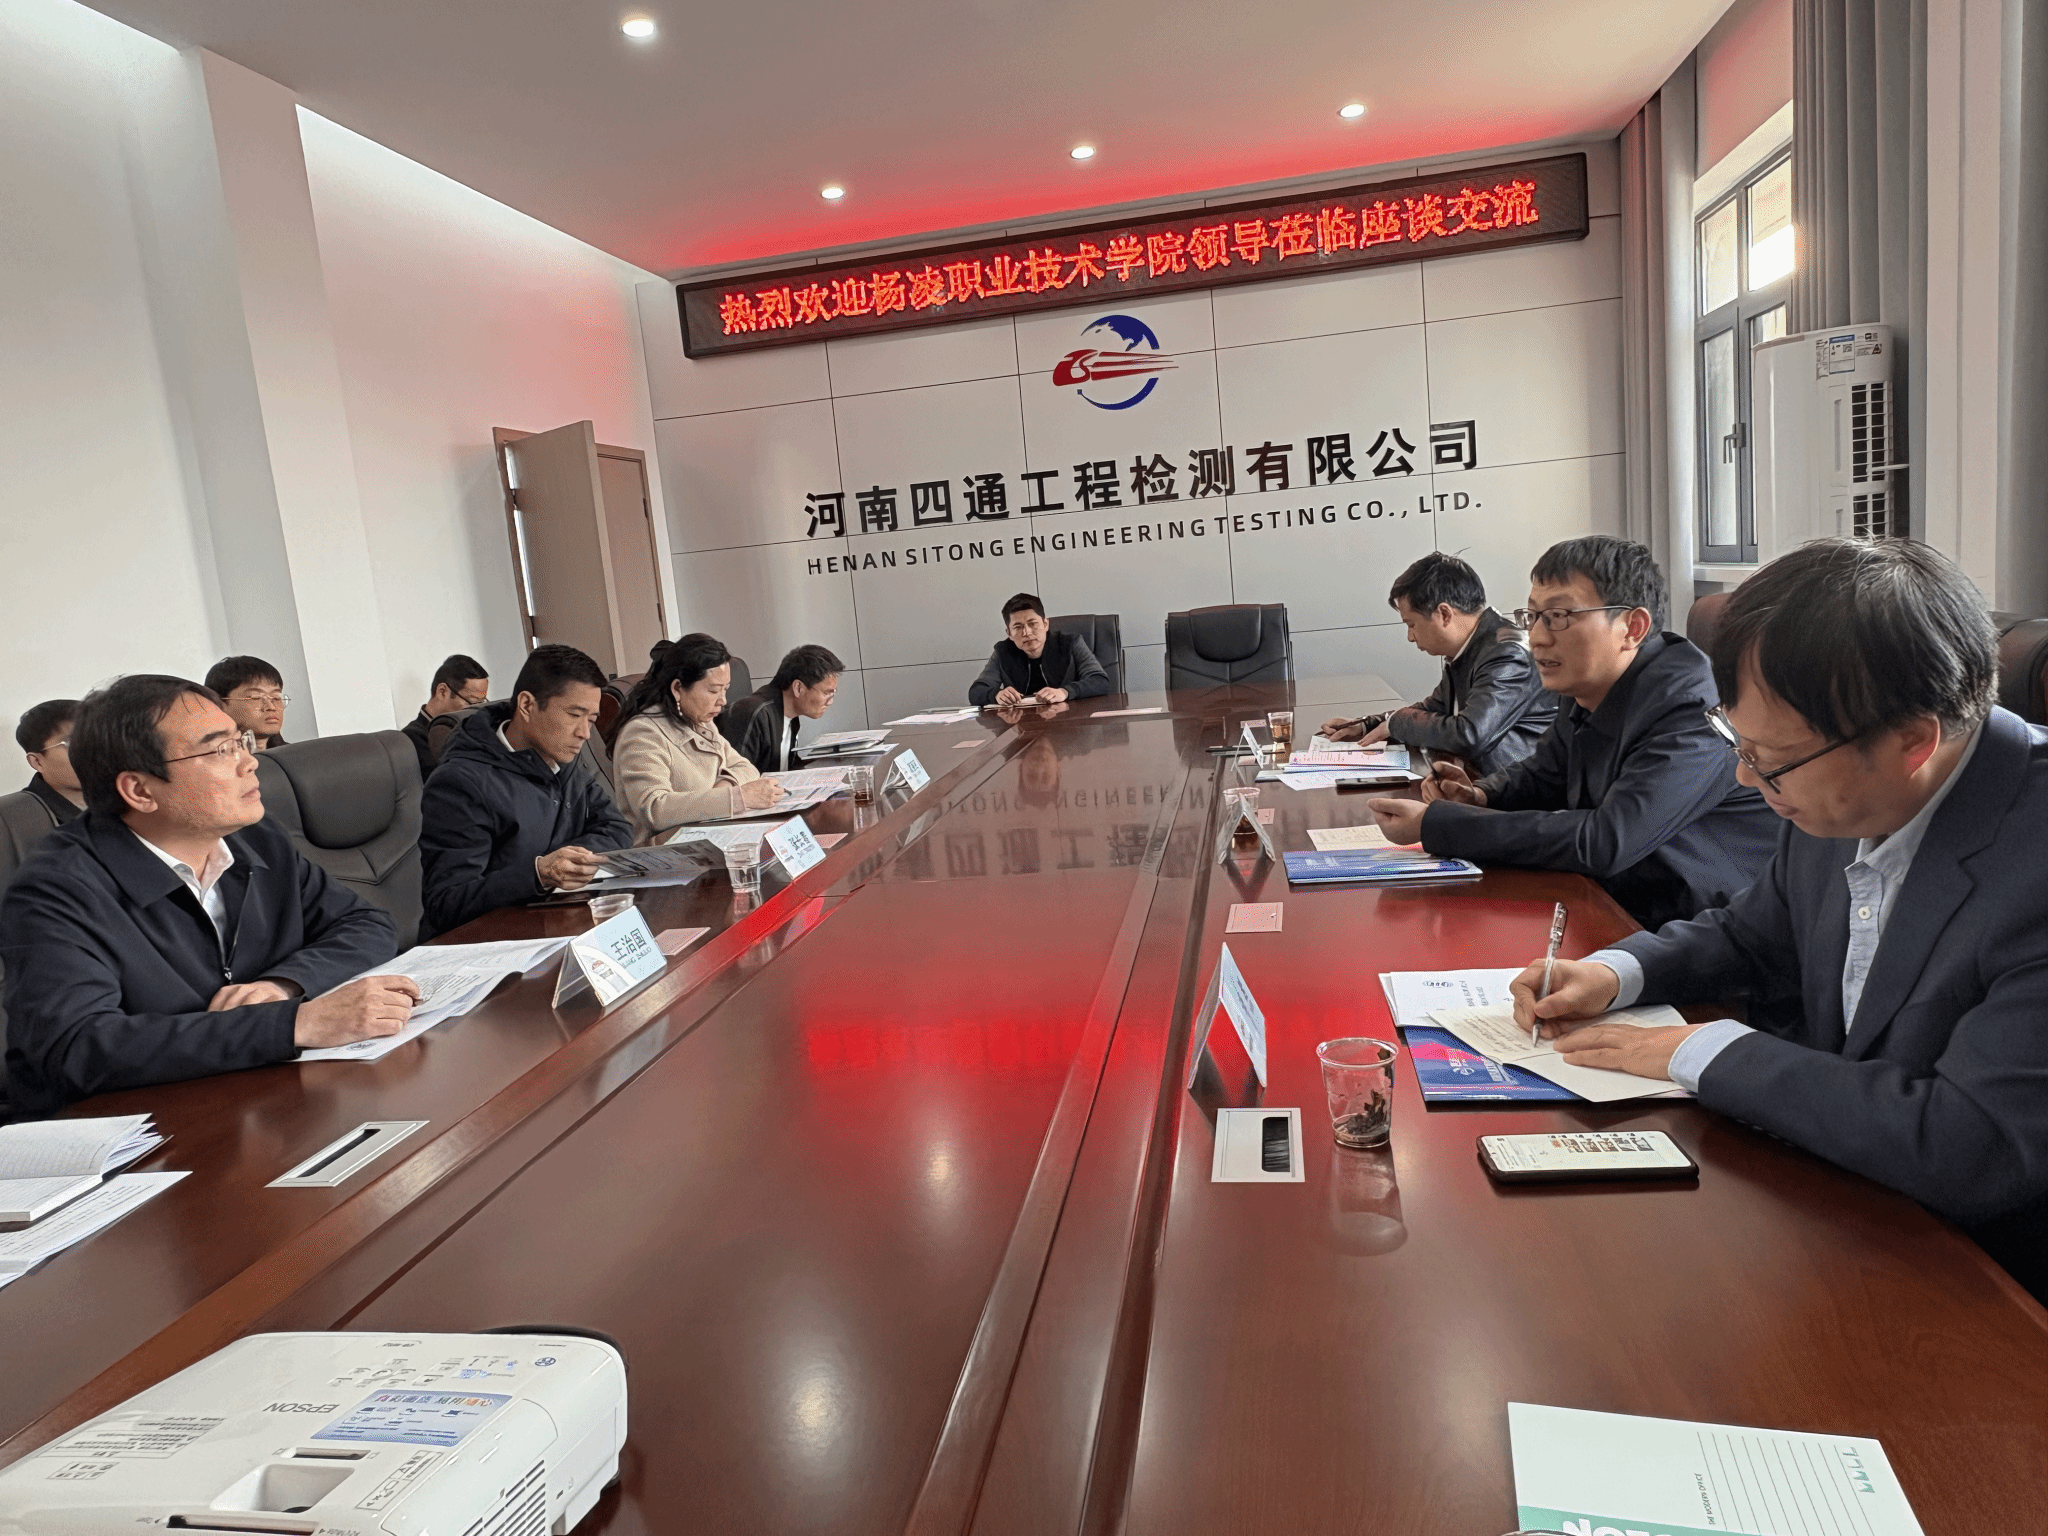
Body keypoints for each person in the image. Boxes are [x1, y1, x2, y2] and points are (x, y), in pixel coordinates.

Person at [1512, 539, 2048, 1301]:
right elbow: (1755, 932)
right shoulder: (1836, 780)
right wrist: (1614, 972)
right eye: (1740, 742)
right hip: (1845, 1211)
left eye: (1771, 757)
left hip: (1988, 1286)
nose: (1745, 774)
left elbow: (1970, 1144)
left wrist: (1701, 1049)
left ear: (1913, 741)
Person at [0, 676, 413, 1116]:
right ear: (139, 790)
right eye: (220, 750)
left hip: (261, 1097)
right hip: (138, 1128)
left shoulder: (254, 835)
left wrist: (282, 986)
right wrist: (290, 1024)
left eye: (241, 741)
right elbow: (78, 1047)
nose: (249, 762)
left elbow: (366, 923)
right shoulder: (57, 890)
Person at [1366, 535, 1776, 929]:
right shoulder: (1588, 684)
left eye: (1559, 617)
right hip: (1612, 900)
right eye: (1533, 616)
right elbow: (1546, 773)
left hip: (1693, 927)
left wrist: (1440, 824)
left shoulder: (1689, 709)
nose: (1537, 637)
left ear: (1632, 627)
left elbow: (1605, 841)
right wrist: (1480, 795)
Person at [417, 644, 631, 938]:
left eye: (591, 720)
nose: (584, 732)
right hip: (487, 943)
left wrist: (568, 862)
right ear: (527, 705)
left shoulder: (563, 760)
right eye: (574, 715)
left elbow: (617, 827)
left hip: (554, 922)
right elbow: (447, 904)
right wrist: (539, 873)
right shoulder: (460, 782)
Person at [1319, 552, 1555, 774]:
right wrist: (1368, 724)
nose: (1410, 637)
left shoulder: (1507, 654)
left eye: (1411, 624)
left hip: (1517, 794)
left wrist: (1397, 723)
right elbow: (1433, 708)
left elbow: (1470, 734)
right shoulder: (1473, 647)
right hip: (1480, 781)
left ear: (1444, 614)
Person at [613, 633, 785, 841]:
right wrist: (737, 798)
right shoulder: (643, 733)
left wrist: (724, 788)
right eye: (714, 691)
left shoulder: (700, 721)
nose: (723, 701)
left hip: (709, 836)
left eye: (725, 690)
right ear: (678, 688)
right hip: (666, 850)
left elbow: (745, 767)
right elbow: (655, 809)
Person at [967, 594, 1111, 706]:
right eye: (1018, 627)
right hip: (1022, 726)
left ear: (1045, 624)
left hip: (1069, 723)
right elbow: (976, 691)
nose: (1026, 632)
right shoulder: (1002, 651)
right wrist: (996, 695)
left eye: (1032, 624)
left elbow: (1100, 681)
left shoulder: (1071, 643)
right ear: (1009, 633)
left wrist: (1065, 692)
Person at [720, 644, 844, 773]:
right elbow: (735, 777)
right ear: (798, 688)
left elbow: (785, 768)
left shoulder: (790, 716)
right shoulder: (754, 714)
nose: (830, 702)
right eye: (826, 693)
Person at [402, 654, 490, 778]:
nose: (477, 711)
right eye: (473, 702)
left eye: (482, 703)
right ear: (442, 691)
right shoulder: (411, 740)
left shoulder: (470, 729)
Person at [16, 700, 85, 826]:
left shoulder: (118, 800)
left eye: (94, 739)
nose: (92, 752)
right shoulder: (14, 822)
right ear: (37, 762)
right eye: (72, 744)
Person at [204, 657, 290, 749]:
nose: (271, 707)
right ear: (218, 704)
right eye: (256, 697)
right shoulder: (205, 756)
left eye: (276, 697)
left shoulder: (295, 754)